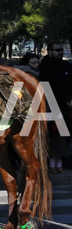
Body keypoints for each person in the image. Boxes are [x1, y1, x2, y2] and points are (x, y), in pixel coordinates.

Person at [38, 42, 72, 174]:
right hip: (48, 105)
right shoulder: (45, 67)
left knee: (62, 136)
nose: (60, 52)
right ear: (50, 51)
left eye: (61, 50)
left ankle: (59, 163)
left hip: (63, 105)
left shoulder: (66, 66)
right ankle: (50, 163)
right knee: (50, 135)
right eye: (57, 50)